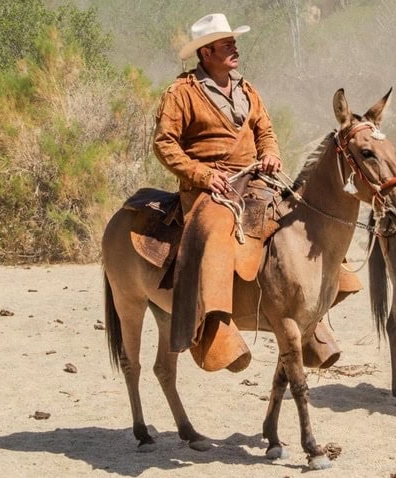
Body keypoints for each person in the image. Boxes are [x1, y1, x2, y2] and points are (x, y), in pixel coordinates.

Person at [153, 13, 282, 368]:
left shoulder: (247, 89)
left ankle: (314, 308)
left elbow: (265, 131)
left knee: (297, 211)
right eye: (226, 44)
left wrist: (270, 153)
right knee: (214, 230)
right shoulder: (182, 93)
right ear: (206, 52)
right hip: (209, 187)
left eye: (233, 42)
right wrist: (201, 174)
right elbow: (165, 144)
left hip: (253, 178)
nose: (234, 48)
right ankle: (215, 326)